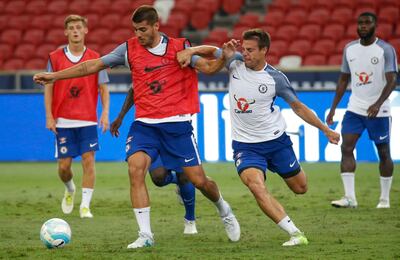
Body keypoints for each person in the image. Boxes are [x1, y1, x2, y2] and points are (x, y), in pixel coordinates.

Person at [34, 5, 240, 249]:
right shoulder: (128, 49)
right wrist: (54, 76)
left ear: (156, 26)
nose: (138, 35)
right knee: (135, 169)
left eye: (142, 30)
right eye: (135, 30)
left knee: (199, 180)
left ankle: (224, 209)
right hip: (145, 125)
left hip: (177, 125)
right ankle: (145, 235)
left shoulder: (180, 48)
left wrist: (223, 59)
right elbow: (91, 66)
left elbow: (208, 68)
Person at [179, 29, 340, 246]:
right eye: (244, 49)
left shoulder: (276, 79)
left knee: (300, 188)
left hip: (276, 142)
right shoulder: (234, 62)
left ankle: (291, 173)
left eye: (251, 50)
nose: (245, 53)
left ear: (264, 50)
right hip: (246, 146)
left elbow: (299, 107)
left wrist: (325, 130)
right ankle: (295, 233)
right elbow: (212, 51)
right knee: (255, 186)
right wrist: (191, 51)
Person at [326, 12, 398, 209]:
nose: (363, 26)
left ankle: (384, 199)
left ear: (375, 25)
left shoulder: (385, 49)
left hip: (379, 111)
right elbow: (343, 79)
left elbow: (392, 79)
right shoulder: (350, 49)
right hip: (355, 108)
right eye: (360, 23)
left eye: (367, 23)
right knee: (346, 147)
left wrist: (378, 103)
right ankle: (350, 198)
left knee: (383, 152)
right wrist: (333, 108)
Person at [43, 14, 110, 218]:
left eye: (78, 27)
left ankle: (85, 206)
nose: (75, 31)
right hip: (63, 120)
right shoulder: (54, 57)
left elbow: (103, 88)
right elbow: (48, 87)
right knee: (64, 167)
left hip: (87, 119)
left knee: (89, 161)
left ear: (85, 31)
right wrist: (49, 116)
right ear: (65, 32)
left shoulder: (95, 58)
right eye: (71, 27)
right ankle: (70, 188)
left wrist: (105, 112)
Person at [110, 86, 197, 235]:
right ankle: (175, 181)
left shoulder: (177, 65)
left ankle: (190, 219)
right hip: (150, 130)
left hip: (175, 126)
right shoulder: (143, 65)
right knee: (158, 178)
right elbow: (134, 89)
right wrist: (121, 116)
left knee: (185, 176)